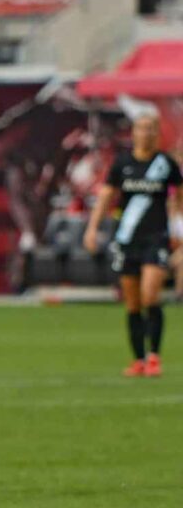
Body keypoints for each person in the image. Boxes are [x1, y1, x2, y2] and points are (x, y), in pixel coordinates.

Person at [84, 113, 183, 377]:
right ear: (134, 133)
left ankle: (154, 357)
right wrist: (93, 228)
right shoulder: (123, 164)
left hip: (157, 237)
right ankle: (138, 359)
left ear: (157, 132)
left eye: (151, 128)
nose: (146, 133)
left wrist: (178, 227)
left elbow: (179, 196)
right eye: (141, 128)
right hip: (127, 238)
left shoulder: (165, 164)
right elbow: (106, 196)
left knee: (151, 294)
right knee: (133, 303)